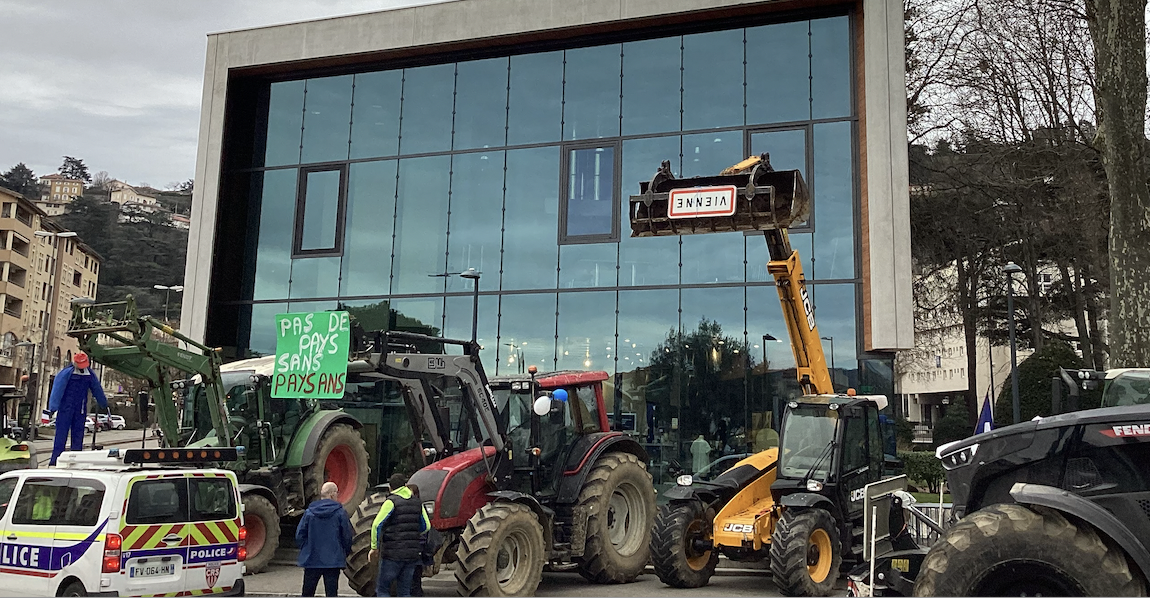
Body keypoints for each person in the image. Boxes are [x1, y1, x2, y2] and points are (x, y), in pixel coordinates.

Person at [370, 473, 430, 597]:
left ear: (390, 488)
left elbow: (377, 525)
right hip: (411, 555)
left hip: (392, 555)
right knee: (404, 591)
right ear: (405, 486)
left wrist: (374, 548)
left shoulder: (391, 501)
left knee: (383, 590)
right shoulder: (417, 502)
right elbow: (426, 526)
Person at [48, 352, 107, 466]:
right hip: (67, 408)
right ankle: (56, 460)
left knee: (78, 435)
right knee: (61, 434)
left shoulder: (89, 374)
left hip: (79, 408)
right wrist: (53, 407)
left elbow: (97, 389)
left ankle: (76, 458)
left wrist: (103, 403)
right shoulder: (67, 373)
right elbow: (57, 390)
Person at [296, 481, 353, 597]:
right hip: (333, 561)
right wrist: (343, 552)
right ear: (332, 494)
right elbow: (347, 536)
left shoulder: (309, 512)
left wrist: (306, 549)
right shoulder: (340, 513)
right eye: (337, 493)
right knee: (331, 593)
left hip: (311, 558)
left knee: (307, 593)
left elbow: (299, 535)